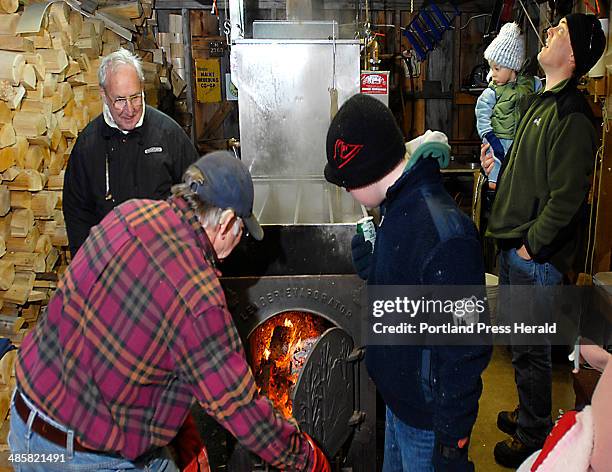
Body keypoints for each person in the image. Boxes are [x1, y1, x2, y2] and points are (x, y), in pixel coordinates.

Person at [10, 151, 330, 472]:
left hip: (26, 422)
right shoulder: (198, 294)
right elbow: (240, 407)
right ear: (227, 222)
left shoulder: (129, 214)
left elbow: (138, 341)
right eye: (241, 232)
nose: (238, 240)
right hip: (86, 458)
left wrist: (178, 428)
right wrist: (307, 459)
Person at [325, 94, 492, 471]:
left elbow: (466, 348)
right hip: (399, 406)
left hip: (429, 423)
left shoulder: (445, 234)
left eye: (346, 183)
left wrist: (453, 441)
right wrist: (377, 267)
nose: (348, 192)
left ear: (364, 172)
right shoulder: (398, 206)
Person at [480, 13, 606, 468]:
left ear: (572, 56)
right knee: (519, 345)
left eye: (559, 31)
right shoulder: (542, 102)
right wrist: (497, 177)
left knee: (531, 351)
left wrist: (532, 245)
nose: (549, 32)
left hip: (535, 257)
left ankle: (533, 435)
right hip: (517, 248)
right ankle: (529, 413)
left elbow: (567, 196)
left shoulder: (573, 116)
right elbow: (528, 170)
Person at [63, 48, 198, 257]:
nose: (129, 109)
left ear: (142, 88)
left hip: (165, 260)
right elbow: (77, 214)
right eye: (119, 100)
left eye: (135, 97)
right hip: (111, 266)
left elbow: (196, 197)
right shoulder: (87, 146)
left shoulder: (169, 134)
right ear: (103, 95)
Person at [475, 22, 542, 189]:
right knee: (496, 166)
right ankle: (493, 190)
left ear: (512, 66)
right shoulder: (493, 91)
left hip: (521, 140)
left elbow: (540, 99)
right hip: (498, 138)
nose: (492, 74)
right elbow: (481, 113)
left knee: (518, 172)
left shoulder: (531, 84)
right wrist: (488, 136)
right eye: (491, 68)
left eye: (497, 68)